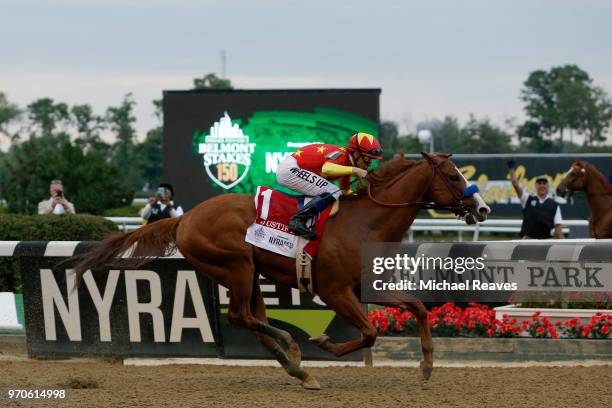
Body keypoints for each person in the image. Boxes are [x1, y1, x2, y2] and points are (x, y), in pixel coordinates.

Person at [276, 132, 383, 239]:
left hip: (292, 168)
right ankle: (297, 220)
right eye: (367, 159)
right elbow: (326, 169)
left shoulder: (348, 161)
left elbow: (346, 190)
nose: (369, 164)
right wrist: (355, 170)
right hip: (289, 169)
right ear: (356, 154)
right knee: (332, 190)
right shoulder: (341, 154)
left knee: (335, 191)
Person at [509, 168, 564, 239]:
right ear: (535, 185)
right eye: (539, 183)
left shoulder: (554, 205)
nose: (542, 186)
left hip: (546, 241)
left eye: (544, 183)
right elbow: (515, 185)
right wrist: (511, 169)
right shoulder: (527, 199)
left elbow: (558, 228)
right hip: (528, 241)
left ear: (548, 186)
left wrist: (564, 246)